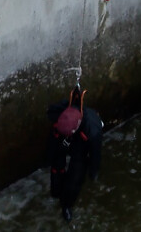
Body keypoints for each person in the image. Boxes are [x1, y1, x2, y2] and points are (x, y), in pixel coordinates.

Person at [46, 87, 103, 223]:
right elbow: (49, 113)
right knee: (56, 163)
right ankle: (56, 189)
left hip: (80, 146)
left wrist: (93, 171)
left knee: (75, 176)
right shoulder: (60, 111)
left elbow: (96, 152)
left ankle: (67, 204)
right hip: (62, 139)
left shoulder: (92, 129)